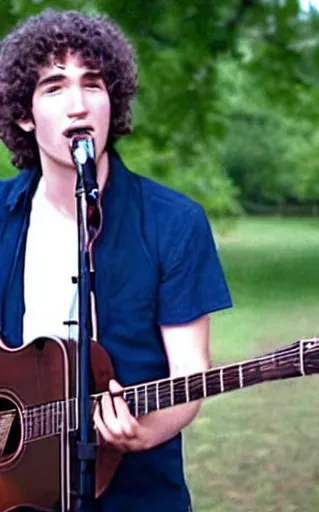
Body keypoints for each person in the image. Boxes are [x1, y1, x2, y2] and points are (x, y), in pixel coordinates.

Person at [0, 8, 232, 512]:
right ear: (24, 113)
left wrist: (147, 431)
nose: (78, 106)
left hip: (141, 495)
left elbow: (190, 373)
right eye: (55, 87)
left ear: (114, 102)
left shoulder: (175, 223)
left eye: (94, 85)